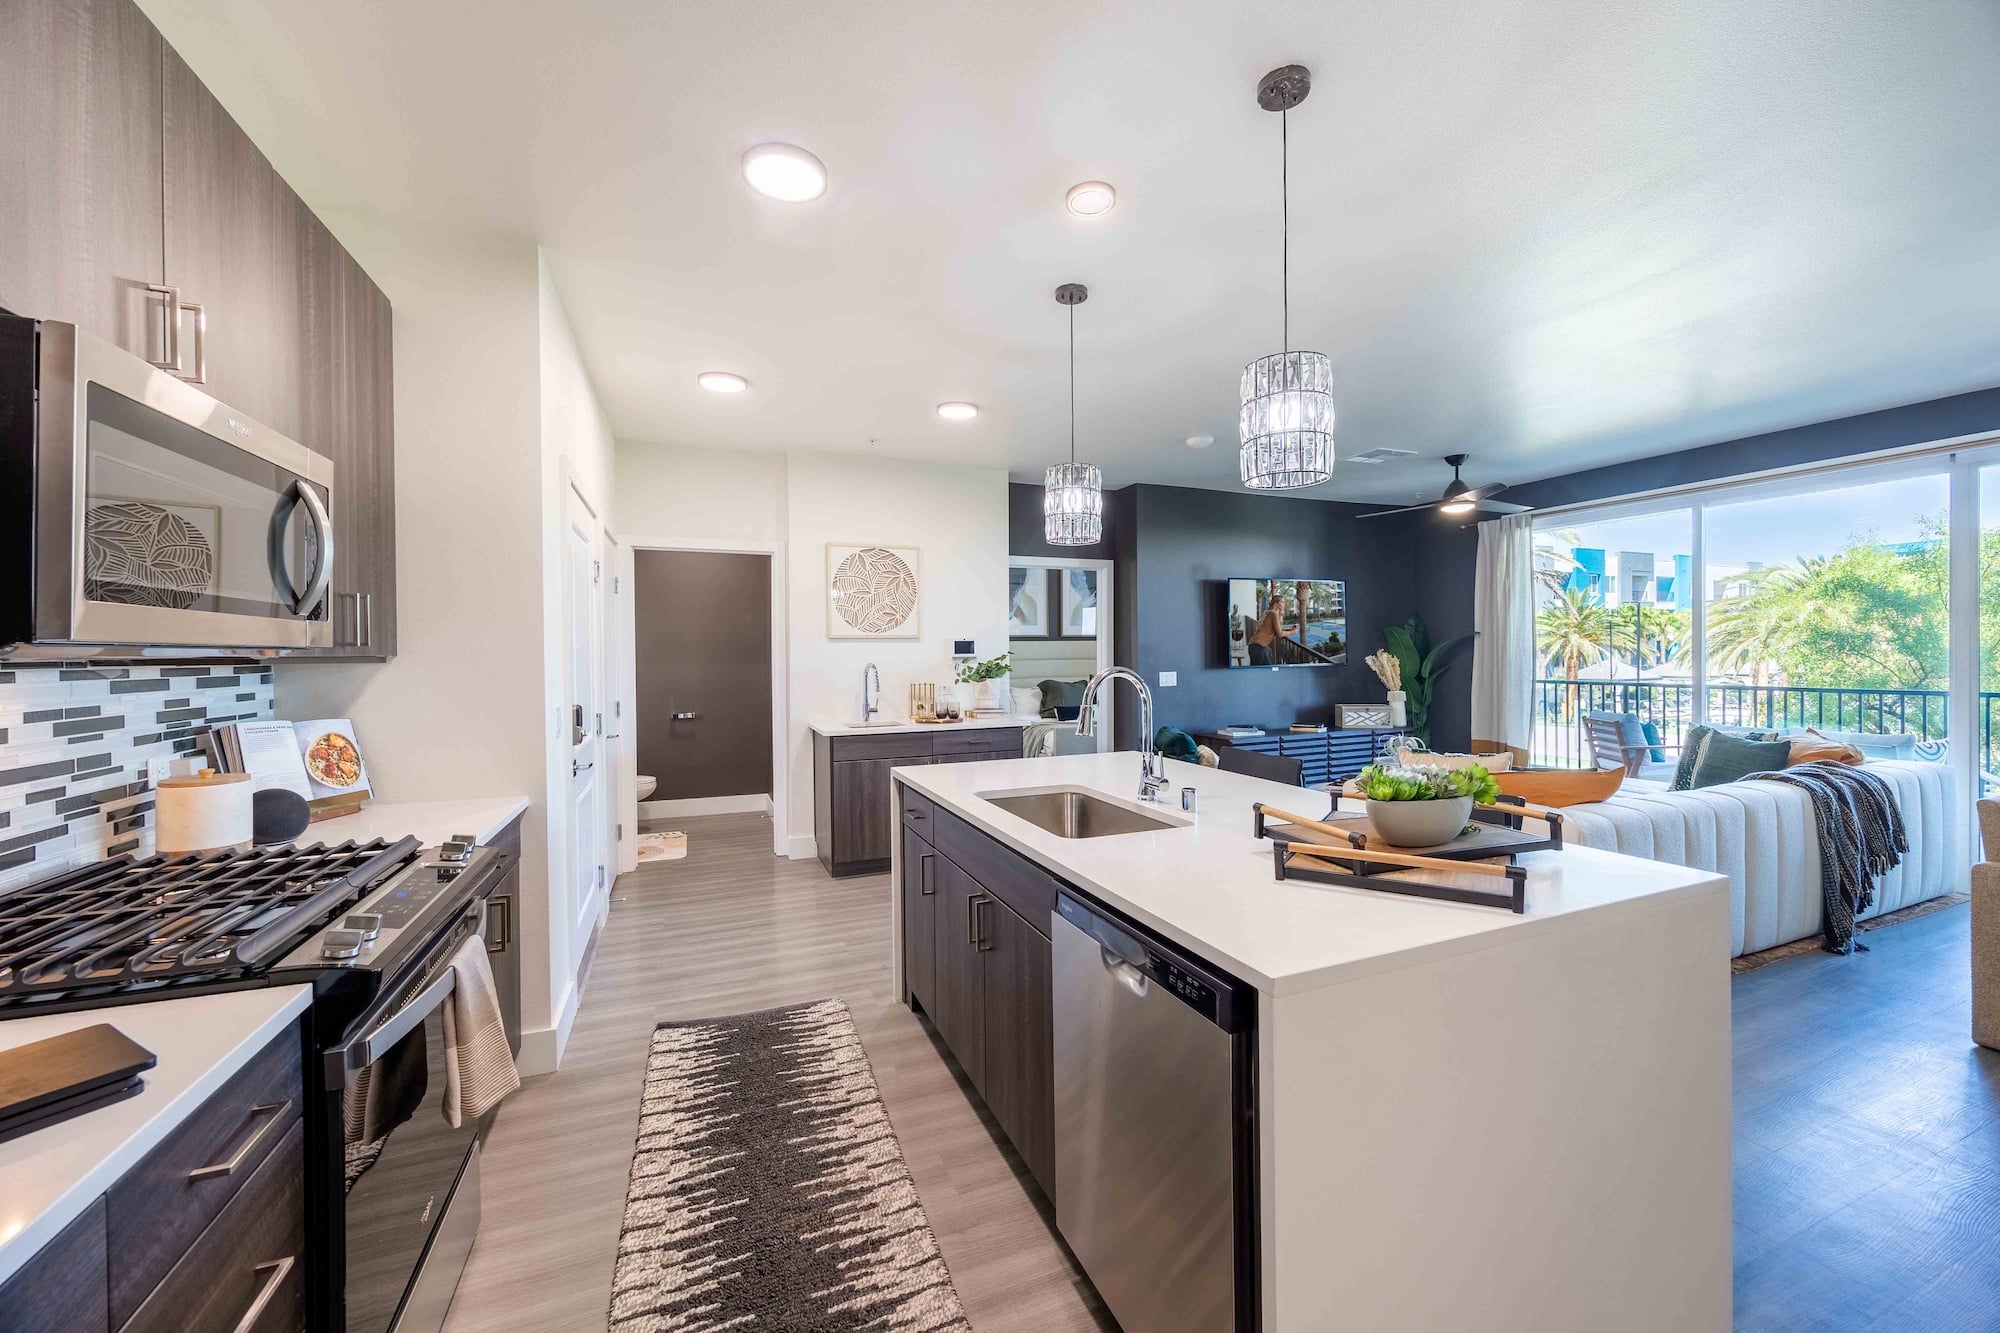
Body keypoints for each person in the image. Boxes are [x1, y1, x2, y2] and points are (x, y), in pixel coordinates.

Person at [1247, 592, 1290, 666]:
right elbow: (1280, 633)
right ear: (1276, 603)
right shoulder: (1273, 613)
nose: (1284, 604)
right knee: (1256, 673)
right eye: (1282, 602)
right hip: (1257, 647)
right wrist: (1293, 631)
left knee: (1267, 668)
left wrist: (1289, 630)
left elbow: (1277, 629)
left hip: (1260, 647)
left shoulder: (1271, 613)